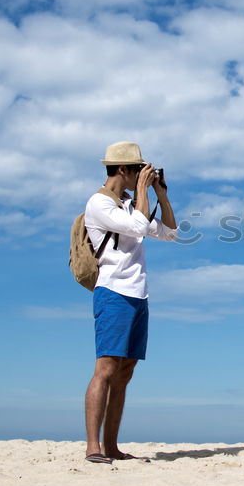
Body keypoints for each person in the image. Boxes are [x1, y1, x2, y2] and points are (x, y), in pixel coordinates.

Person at [82, 141, 177, 464]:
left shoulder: (127, 205)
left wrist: (160, 194)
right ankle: (93, 446)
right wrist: (142, 191)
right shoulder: (99, 203)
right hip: (113, 292)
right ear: (123, 170)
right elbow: (138, 226)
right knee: (105, 369)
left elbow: (169, 233)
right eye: (138, 170)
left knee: (125, 372)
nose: (142, 174)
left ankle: (111, 446)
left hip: (139, 294)